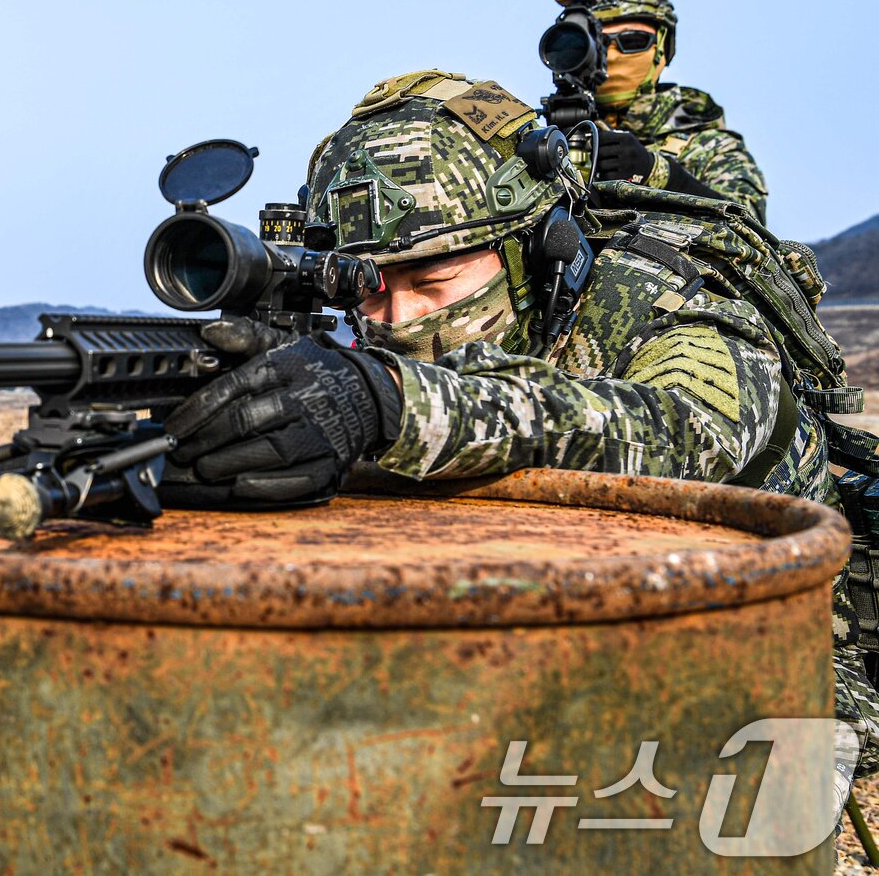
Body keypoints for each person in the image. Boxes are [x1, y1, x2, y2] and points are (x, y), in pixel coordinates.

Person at [160, 68, 879, 800]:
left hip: (770, 668)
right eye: (369, 286)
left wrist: (388, 403)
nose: (398, 319)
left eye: (432, 280)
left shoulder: (662, 297)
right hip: (554, 630)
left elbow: (684, 430)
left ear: (538, 253)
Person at [587, 0, 769, 224]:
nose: (611, 54)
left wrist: (659, 174)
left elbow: (751, 233)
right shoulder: (551, 138)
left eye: (631, 41)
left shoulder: (712, 147)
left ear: (662, 48)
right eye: (598, 44)